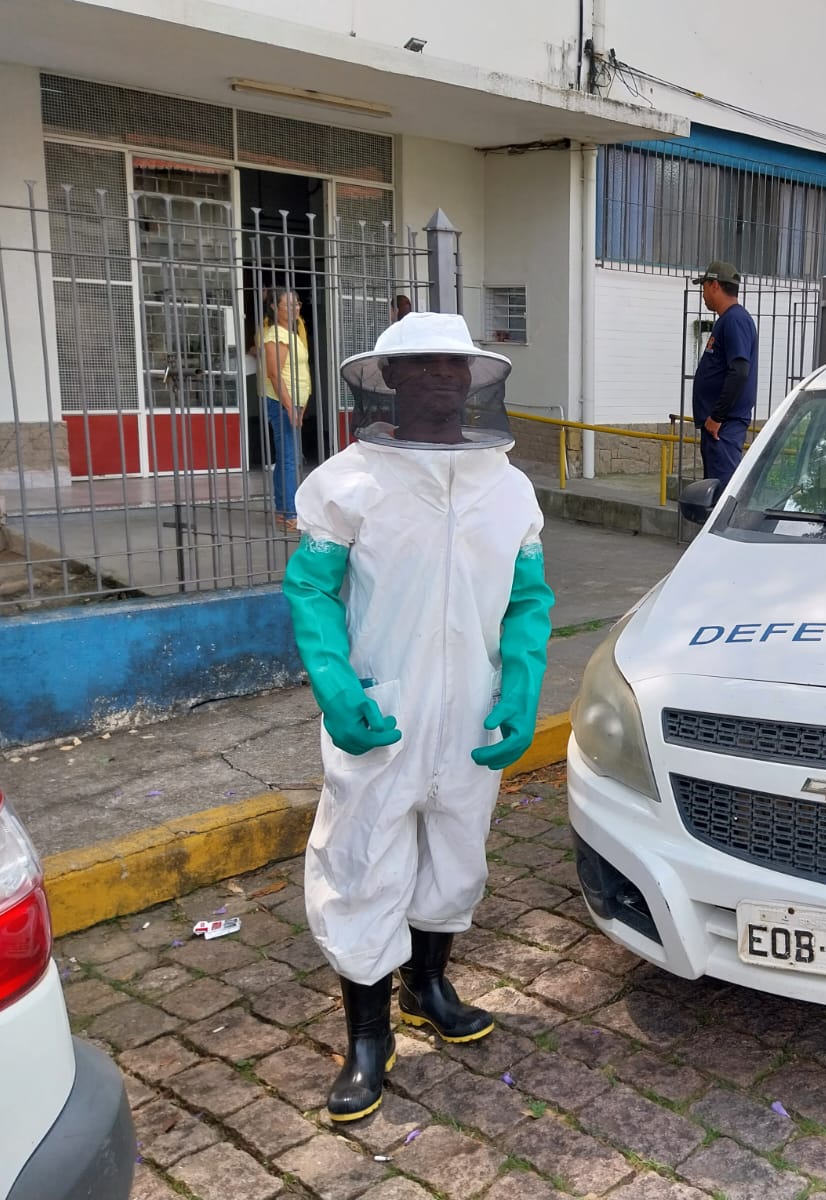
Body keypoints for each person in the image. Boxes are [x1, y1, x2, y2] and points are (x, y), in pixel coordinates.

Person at [281, 311, 554, 1122]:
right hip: (382, 710)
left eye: (453, 366)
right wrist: (337, 689)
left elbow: (529, 601)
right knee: (361, 863)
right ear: (390, 379)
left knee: (457, 857)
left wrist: (522, 686)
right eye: (423, 366)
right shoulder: (347, 481)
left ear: (474, 380)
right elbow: (312, 592)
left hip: (472, 714)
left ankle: (427, 987)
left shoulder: (508, 487)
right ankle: (367, 1038)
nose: (442, 378)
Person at [691, 260, 758, 487]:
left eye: (704, 287)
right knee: (712, 491)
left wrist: (717, 417)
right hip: (719, 427)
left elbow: (739, 371)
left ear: (715, 286)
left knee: (722, 493)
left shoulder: (735, 320)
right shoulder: (728, 320)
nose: (703, 294)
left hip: (723, 427)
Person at [258, 288, 312, 532]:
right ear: (273, 307)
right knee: (289, 459)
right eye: (287, 304)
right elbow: (274, 373)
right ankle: (290, 513)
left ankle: (283, 510)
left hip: (293, 403)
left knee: (286, 457)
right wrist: (290, 406)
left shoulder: (292, 333)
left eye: (297, 303)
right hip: (282, 403)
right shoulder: (277, 335)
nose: (294, 308)